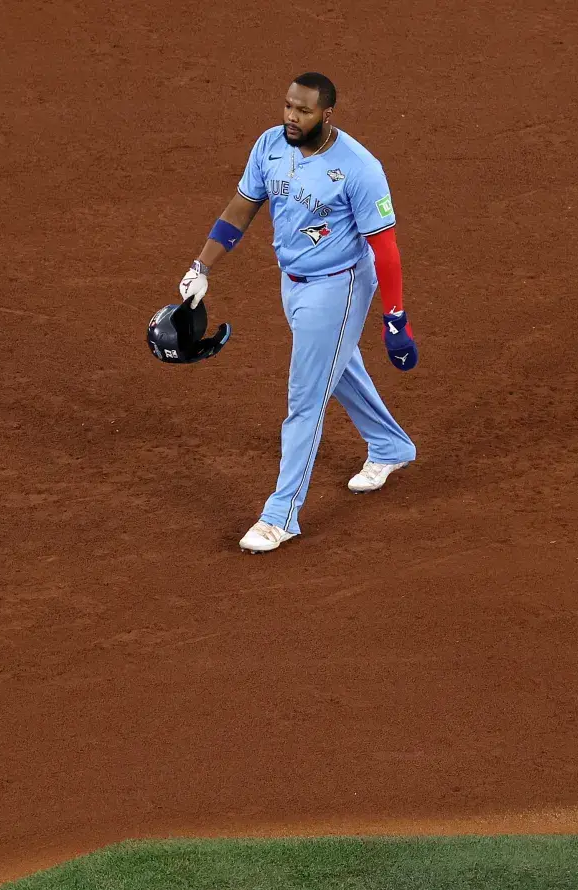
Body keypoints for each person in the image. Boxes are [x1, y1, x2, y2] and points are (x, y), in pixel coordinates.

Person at [180, 71, 419, 554]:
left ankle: (281, 514)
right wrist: (201, 266)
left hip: (340, 286)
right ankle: (391, 446)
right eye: (288, 106)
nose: (291, 117)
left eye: (303, 110)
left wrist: (396, 318)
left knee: (304, 399)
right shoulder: (270, 145)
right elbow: (242, 207)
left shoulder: (358, 167)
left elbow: (386, 248)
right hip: (293, 282)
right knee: (337, 363)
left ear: (326, 114)